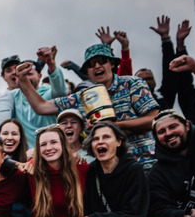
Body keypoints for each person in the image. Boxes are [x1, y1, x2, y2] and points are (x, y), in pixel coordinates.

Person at [17, 45, 160, 169]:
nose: (97, 66)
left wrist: (114, 126)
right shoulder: (82, 97)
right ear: (88, 71)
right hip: (108, 173)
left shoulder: (132, 84)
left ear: (111, 63)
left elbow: (154, 119)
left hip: (144, 163)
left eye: (101, 61)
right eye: (91, 64)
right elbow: (41, 107)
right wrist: (23, 79)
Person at [148, 55, 195, 217]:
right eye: (161, 131)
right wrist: (190, 215)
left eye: (172, 126)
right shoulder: (157, 173)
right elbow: (158, 211)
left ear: (186, 125)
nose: (168, 133)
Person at [67, 122, 149, 217]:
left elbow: (135, 216)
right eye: (96, 139)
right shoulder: (91, 170)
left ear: (118, 142)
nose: (100, 141)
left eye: (106, 137)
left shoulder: (133, 169)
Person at [28, 125, 89, 217]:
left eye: (54, 142)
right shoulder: (31, 170)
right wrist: (17, 164)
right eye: (43, 144)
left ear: (63, 145)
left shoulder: (82, 168)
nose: (48, 148)